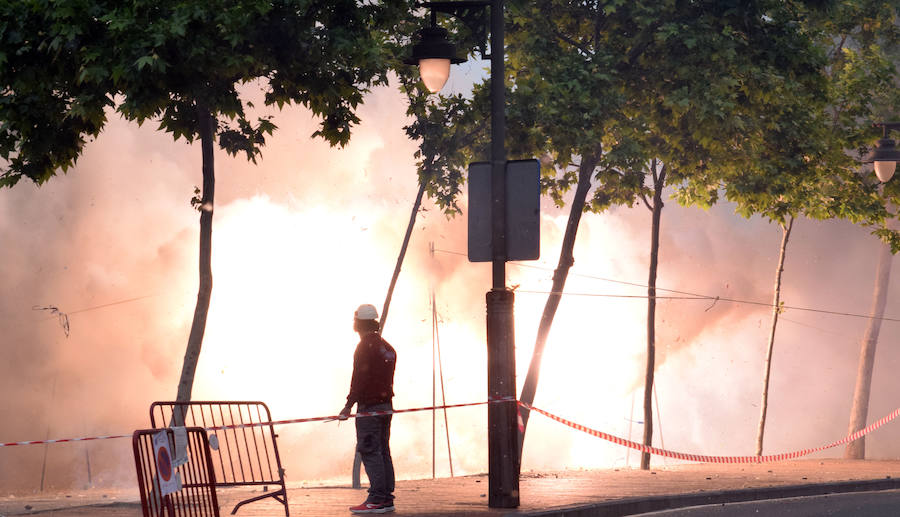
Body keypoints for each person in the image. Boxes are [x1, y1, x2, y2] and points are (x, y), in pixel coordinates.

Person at [339, 304, 397, 514]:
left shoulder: (364, 347)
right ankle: (386, 498)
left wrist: (348, 406)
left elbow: (360, 379)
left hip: (370, 408)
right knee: (383, 450)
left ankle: (377, 499)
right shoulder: (386, 347)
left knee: (370, 451)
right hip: (385, 406)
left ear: (358, 323)